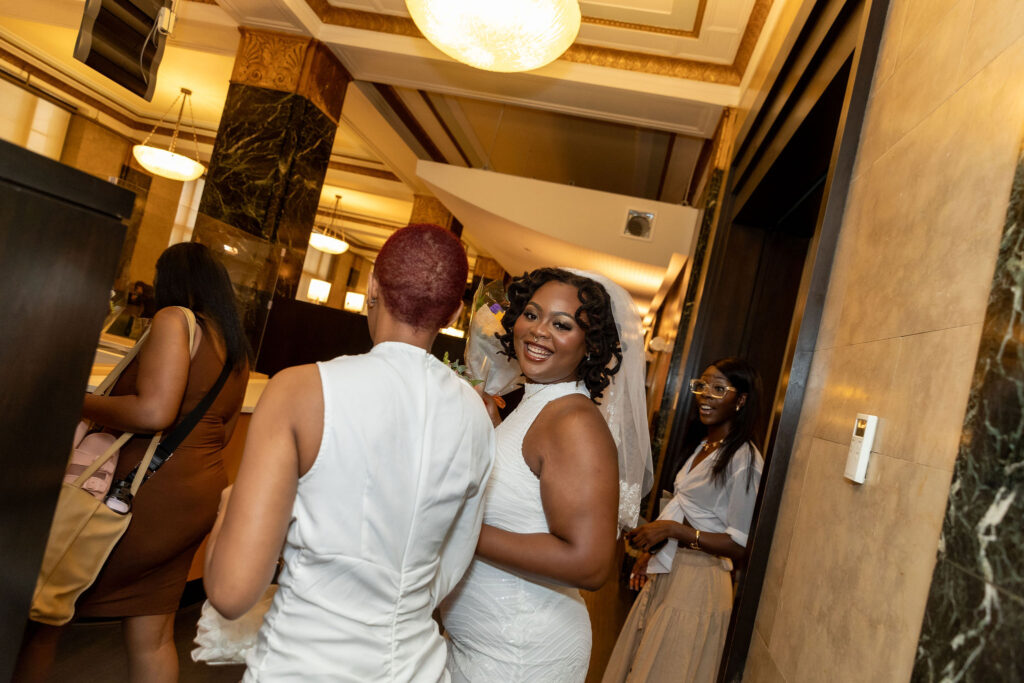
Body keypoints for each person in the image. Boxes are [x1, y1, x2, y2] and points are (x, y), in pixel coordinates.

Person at [204, 224, 495, 681]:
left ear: (372, 286)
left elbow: (230, 591)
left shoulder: (299, 391)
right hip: (414, 667)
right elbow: (453, 561)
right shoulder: (477, 418)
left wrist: (227, 509)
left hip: (302, 663)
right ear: (455, 314)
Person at [14, 242, 251, 683]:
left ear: (171, 282)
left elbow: (154, 413)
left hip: (140, 499)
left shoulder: (172, 320)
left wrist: (76, 401)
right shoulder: (234, 348)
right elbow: (223, 432)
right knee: (154, 633)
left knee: (45, 616)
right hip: (195, 499)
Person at [441, 267, 652, 683]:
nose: (539, 331)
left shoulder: (574, 421)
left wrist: (458, 526)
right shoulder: (536, 404)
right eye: (532, 314)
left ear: (590, 345)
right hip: (485, 643)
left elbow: (589, 563)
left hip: (521, 655)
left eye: (562, 324)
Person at [602, 357, 764, 683]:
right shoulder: (705, 445)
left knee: (667, 670)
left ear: (741, 400)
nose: (705, 395)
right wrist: (654, 550)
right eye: (702, 386)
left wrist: (674, 530)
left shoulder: (744, 458)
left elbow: (740, 545)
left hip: (701, 583)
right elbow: (683, 507)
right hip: (672, 571)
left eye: (719, 389)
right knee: (641, 665)